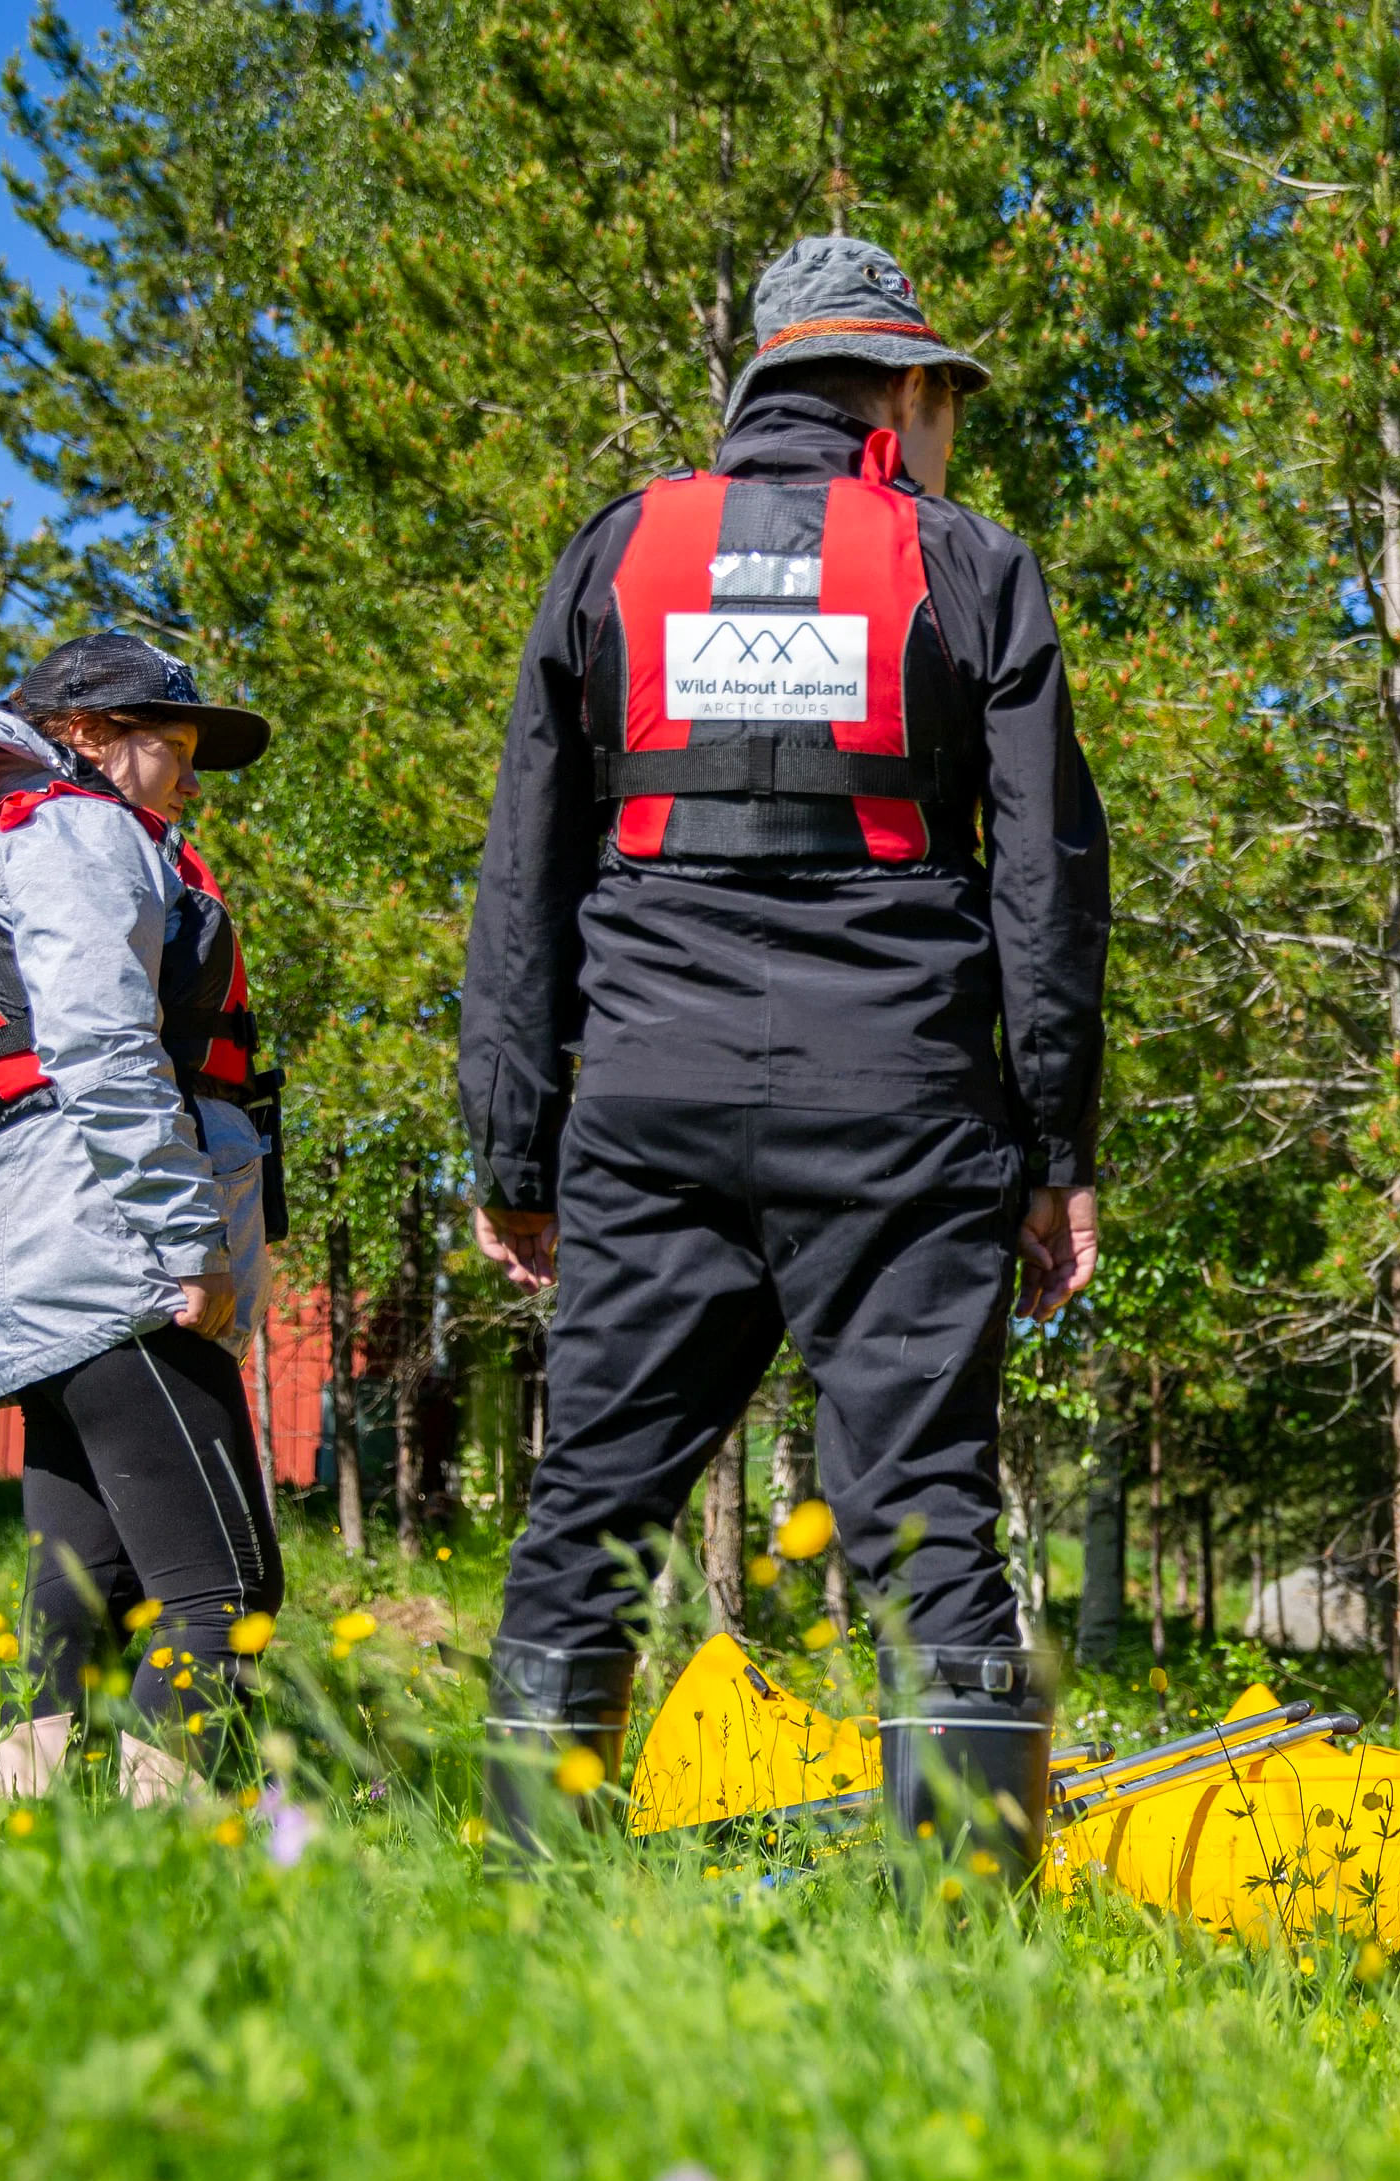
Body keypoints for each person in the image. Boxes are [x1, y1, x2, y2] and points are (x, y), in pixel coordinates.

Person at [460, 235, 1109, 1843]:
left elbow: (525, 866)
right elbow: (1044, 879)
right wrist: (1055, 1148)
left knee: (591, 1515)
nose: (950, 426)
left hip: (653, 1099)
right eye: (944, 396)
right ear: (895, 389)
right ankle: (955, 1936)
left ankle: (531, 1929)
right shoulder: (968, 563)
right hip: (900, 1108)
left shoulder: (616, 552)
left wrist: (512, 1142)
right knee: (927, 1520)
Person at [0, 631, 285, 1806]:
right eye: (171, 745)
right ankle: (175, 1861)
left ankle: (14, 1838)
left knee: (82, 1581)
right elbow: (105, 1047)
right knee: (224, 1592)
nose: (187, 775)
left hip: (46, 1230)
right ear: (87, 737)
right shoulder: (72, 830)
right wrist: (187, 1245)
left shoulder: (11, 839)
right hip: (110, 1239)